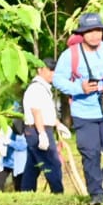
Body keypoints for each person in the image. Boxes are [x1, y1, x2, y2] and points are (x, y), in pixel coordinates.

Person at [53, 12, 103, 205]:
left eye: (97, 30)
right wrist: (78, 88)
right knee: (90, 154)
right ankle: (96, 193)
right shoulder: (70, 55)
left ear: (102, 31)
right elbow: (58, 80)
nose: (94, 35)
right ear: (82, 34)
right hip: (83, 112)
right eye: (89, 31)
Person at [21, 58, 65, 194]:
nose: (52, 73)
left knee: (33, 165)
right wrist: (42, 134)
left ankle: (26, 193)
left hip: (40, 128)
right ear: (40, 70)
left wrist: (59, 125)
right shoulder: (36, 88)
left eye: (54, 71)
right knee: (53, 163)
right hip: (37, 129)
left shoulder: (44, 88)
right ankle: (58, 194)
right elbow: (36, 111)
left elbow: (47, 112)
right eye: (50, 70)